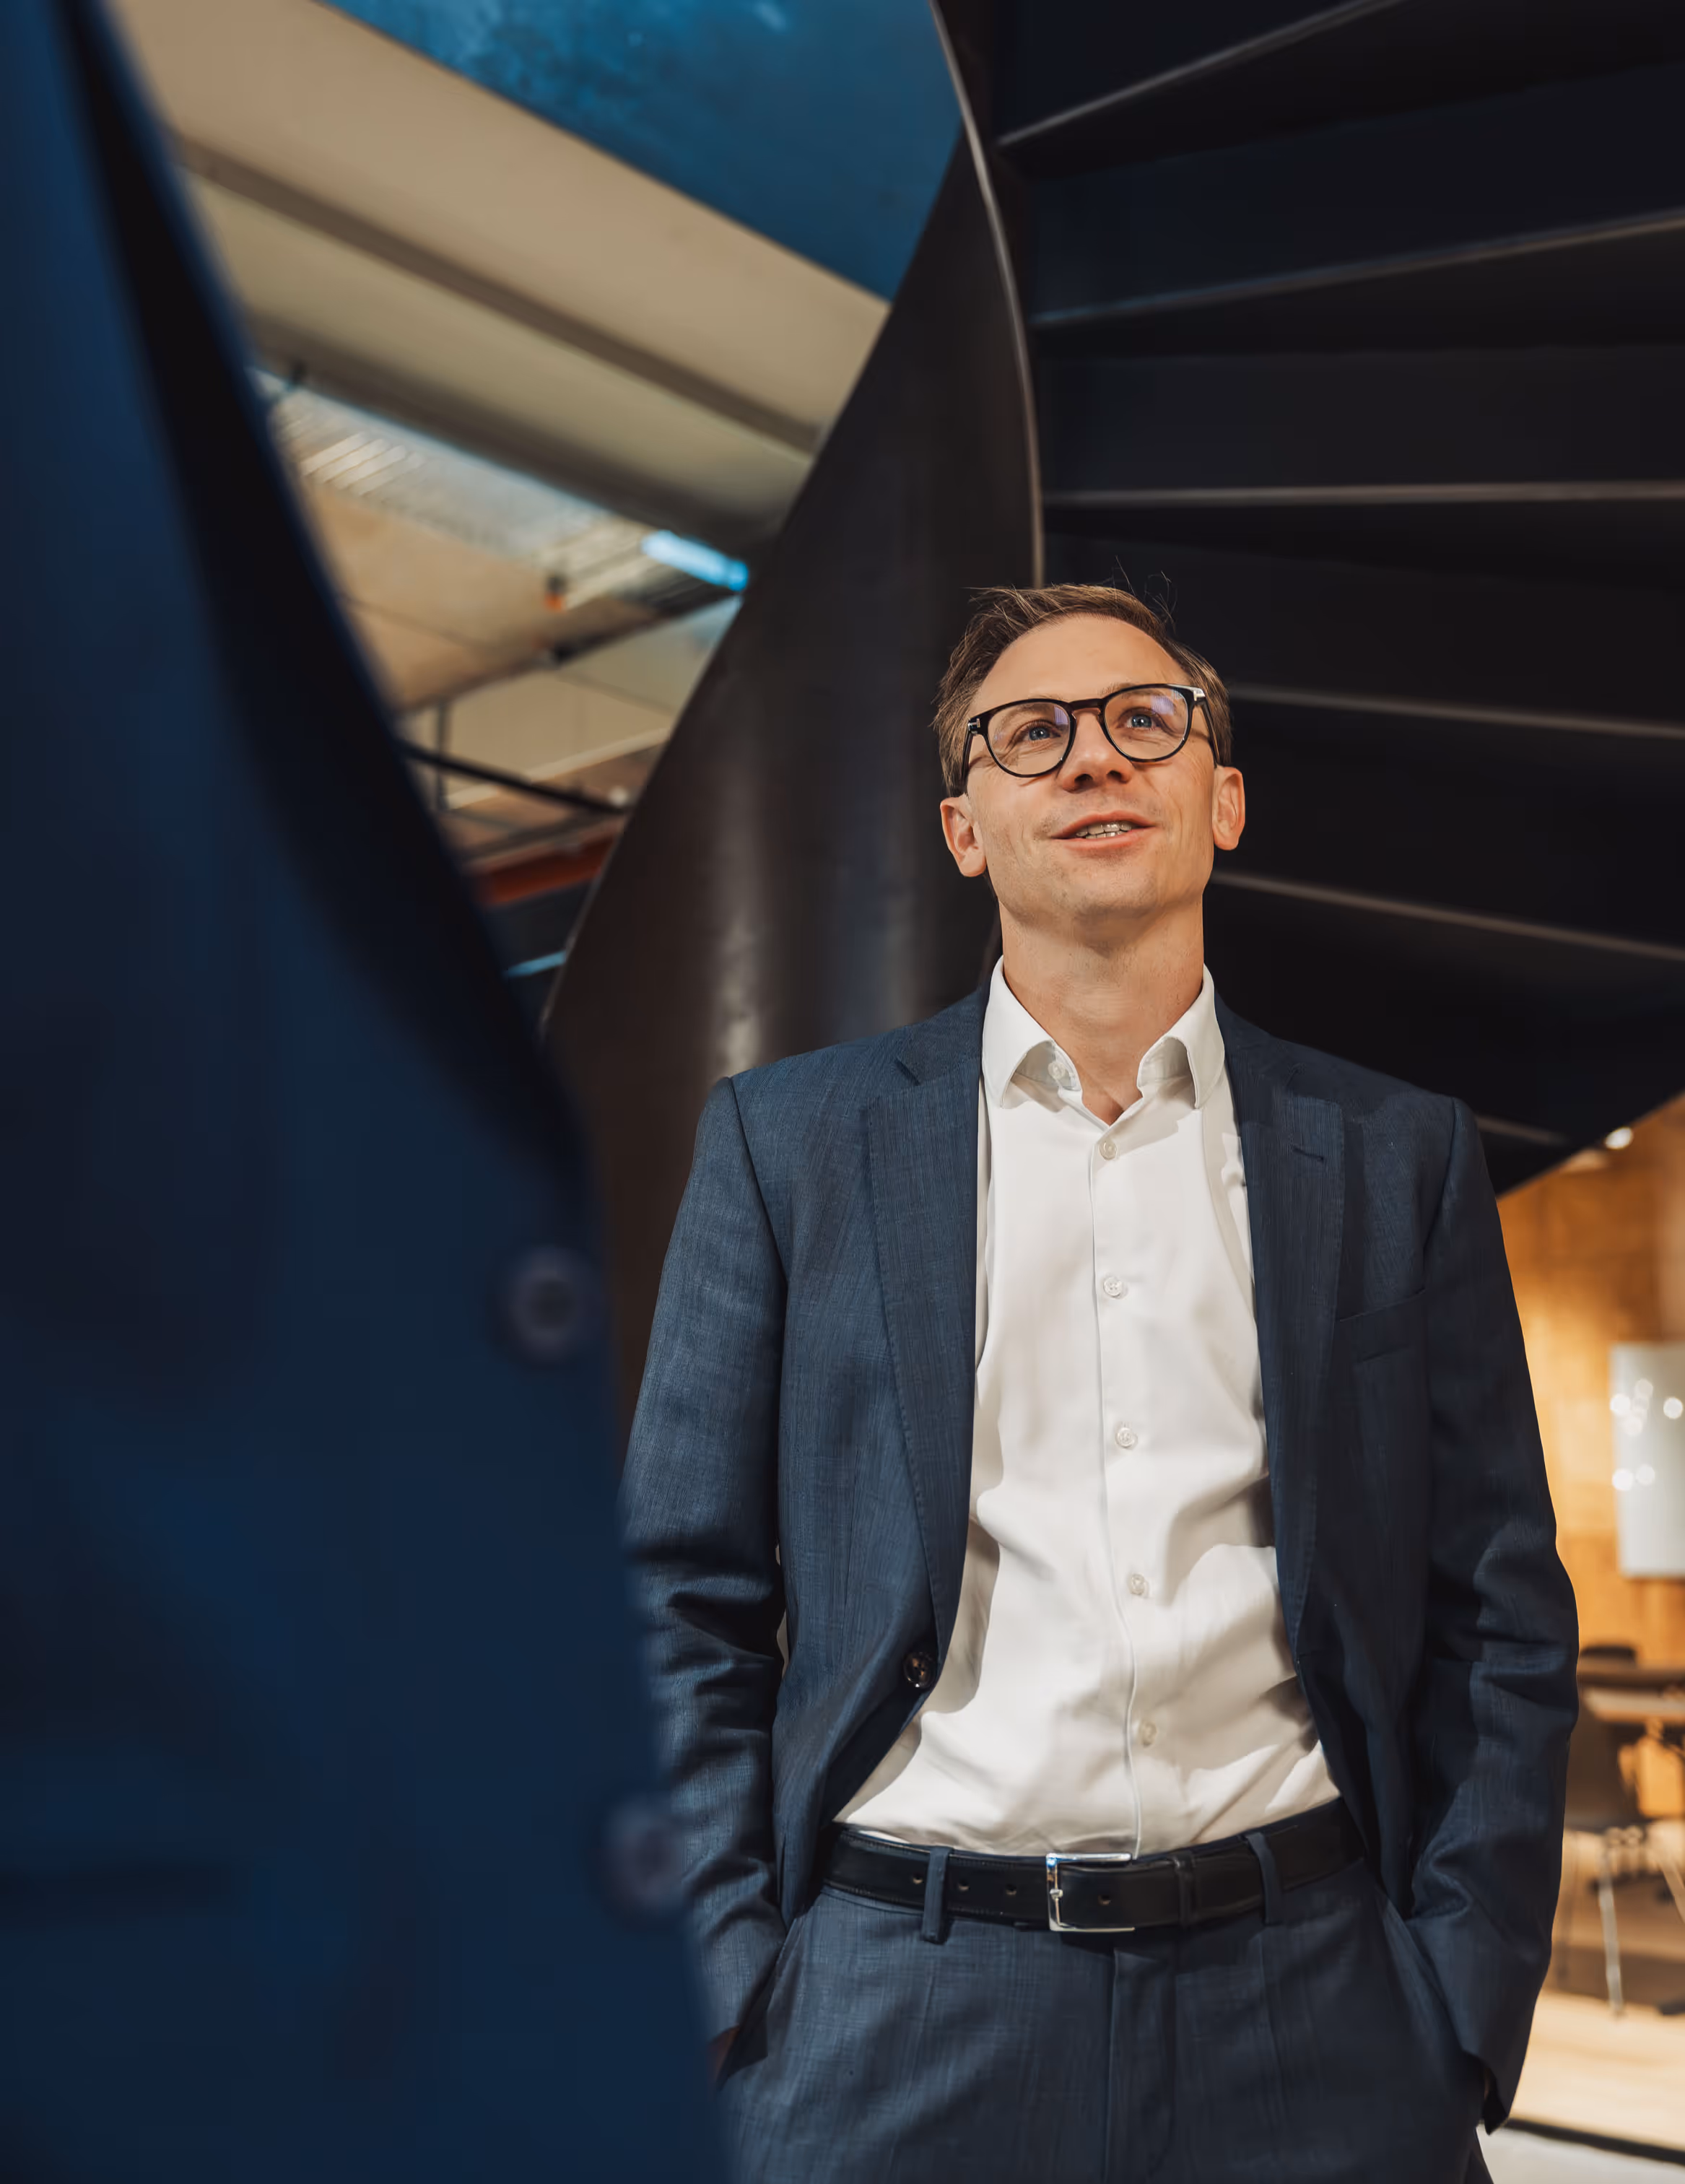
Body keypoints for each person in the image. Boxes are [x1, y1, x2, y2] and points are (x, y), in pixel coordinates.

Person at [622, 583, 1578, 2183]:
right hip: (894, 1997)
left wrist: (1461, 2002)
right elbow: (676, 1602)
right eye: (1031, 735)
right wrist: (729, 1984)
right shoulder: (791, 1147)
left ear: (1224, 798)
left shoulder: (1395, 1154)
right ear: (963, 827)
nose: (1093, 761)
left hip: (1318, 1999)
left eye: (1146, 721)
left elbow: (1496, 1607)